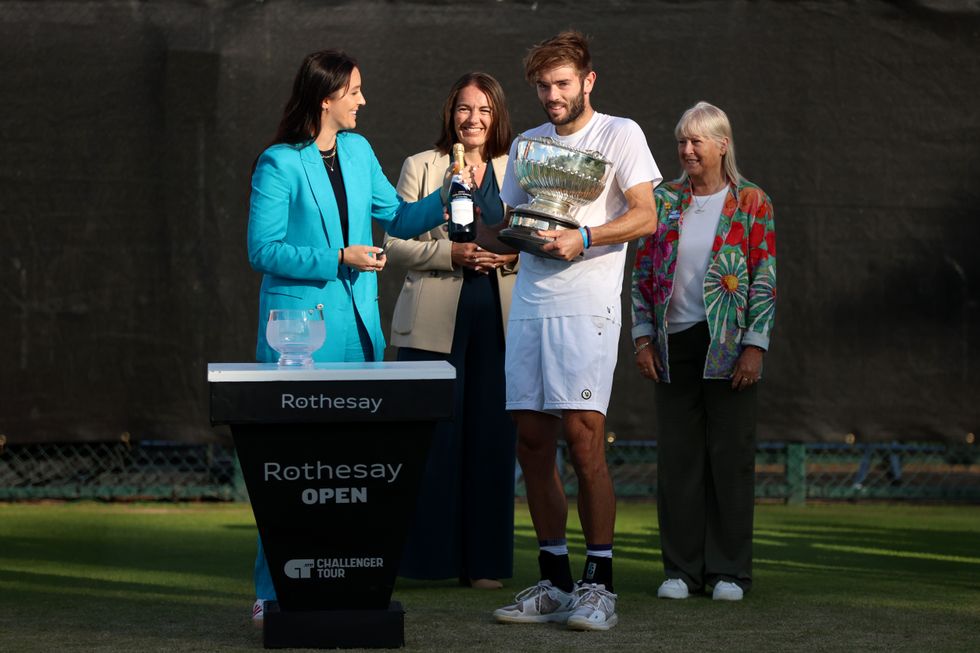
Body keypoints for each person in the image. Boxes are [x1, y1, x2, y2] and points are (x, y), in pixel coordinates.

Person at [245, 49, 448, 623]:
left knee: (353, 469)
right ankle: (270, 593)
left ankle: (343, 585)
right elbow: (262, 250)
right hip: (297, 337)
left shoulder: (358, 151)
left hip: (359, 333)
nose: (363, 100)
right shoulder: (278, 163)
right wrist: (340, 256)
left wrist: (450, 189)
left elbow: (400, 217)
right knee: (288, 468)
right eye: (355, 90)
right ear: (327, 96)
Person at [490, 31, 662, 631]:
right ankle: (556, 581)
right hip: (531, 302)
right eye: (543, 86)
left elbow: (647, 213)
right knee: (531, 443)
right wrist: (487, 239)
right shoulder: (528, 144)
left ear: (589, 81)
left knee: (584, 439)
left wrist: (585, 237)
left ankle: (600, 584)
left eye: (562, 84)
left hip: (588, 304)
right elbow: (511, 222)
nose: (552, 95)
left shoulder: (622, 133)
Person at [630, 101, 776, 602]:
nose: (687, 150)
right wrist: (643, 337)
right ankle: (681, 571)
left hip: (730, 345)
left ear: (722, 144)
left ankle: (729, 573)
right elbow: (642, 273)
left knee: (730, 458)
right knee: (679, 460)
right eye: (681, 142)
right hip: (673, 345)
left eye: (697, 141)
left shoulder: (753, 201)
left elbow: (764, 278)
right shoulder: (663, 199)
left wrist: (755, 346)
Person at [385, 72, 518, 590]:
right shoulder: (421, 165)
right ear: (450, 113)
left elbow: (537, 240)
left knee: (492, 440)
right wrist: (448, 252)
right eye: (465, 109)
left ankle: (486, 565)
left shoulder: (518, 168)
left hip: (501, 319)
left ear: (497, 115)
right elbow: (394, 242)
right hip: (432, 322)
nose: (473, 119)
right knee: (433, 442)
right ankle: (430, 562)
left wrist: (506, 255)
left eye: (484, 110)